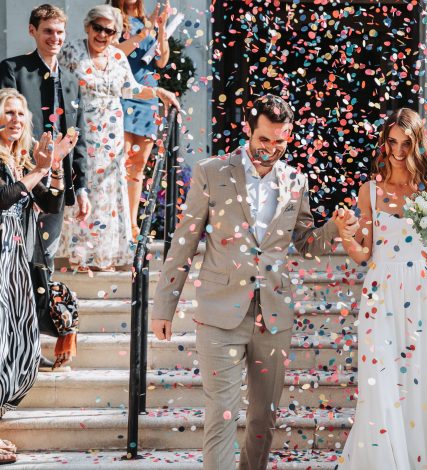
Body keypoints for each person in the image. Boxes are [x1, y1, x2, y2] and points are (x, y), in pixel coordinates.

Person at [151, 94, 357, 470]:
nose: (271, 149)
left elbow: (306, 242)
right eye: (264, 140)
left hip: (274, 315)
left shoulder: (297, 180)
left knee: (264, 417)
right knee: (222, 414)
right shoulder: (211, 172)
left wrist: (335, 229)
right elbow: (185, 240)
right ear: (248, 130)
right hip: (219, 312)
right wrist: (164, 306)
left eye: (281, 141)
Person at [335, 108, 427, 469]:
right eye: (392, 142)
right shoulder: (370, 190)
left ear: (418, 144)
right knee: (380, 380)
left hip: (422, 294)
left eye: (406, 142)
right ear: (384, 143)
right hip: (380, 294)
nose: (398, 150)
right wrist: (345, 235)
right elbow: (363, 252)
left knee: (424, 379)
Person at [56, 4, 178, 272]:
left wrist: (159, 93)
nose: (102, 35)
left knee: (109, 192)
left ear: (115, 34)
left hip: (111, 134)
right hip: (81, 131)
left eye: (109, 31)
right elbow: (56, 86)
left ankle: (105, 256)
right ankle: (79, 256)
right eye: (97, 28)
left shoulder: (117, 57)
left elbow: (130, 88)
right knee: (84, 188)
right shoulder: (72, 51)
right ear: (88, 27)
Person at [0, 88, 77, 464]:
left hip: (16, 268)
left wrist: (55, 168)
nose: (15, 119)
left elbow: (50, 202)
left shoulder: (18, 162)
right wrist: (38, 170)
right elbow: (4, 198)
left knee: (20, 350)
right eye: (7, 112)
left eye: (20, 114)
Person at [0, 4, 91, 274]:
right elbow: (7, 121)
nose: (55, 38)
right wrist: (32, 169)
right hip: (18, 177)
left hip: (56, 182)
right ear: (33, 31)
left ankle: (38, 315)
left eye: (60, 32)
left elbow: (79, 136)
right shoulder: (12, 69)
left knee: (44, 260)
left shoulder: (73, 81)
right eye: (48, 31)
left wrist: (82, 186)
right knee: (13, 258)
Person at [111, 0, 173, 240]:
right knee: (121, 162)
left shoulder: (148, 21)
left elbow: (162, 61)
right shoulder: (114, 19)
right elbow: (114, 54)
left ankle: (133, 226)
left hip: (148, 96)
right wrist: (142, 35)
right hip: (125, 93)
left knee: (137, 168)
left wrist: (161, 27)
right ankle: (117, 225)